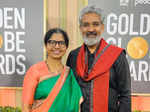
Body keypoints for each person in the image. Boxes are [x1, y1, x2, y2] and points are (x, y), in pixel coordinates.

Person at [66, 5, 131, 112]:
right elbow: (69, 91)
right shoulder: (73, 56)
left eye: (95, 24)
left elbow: (125, 95)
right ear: (80, 28)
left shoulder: (117, 55)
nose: (91, 29)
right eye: (86, 25)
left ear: (102, 27)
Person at [22, 28, 83, 112]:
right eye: (52, 42)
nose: (57, 46)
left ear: (66, 47)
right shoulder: (35, 71)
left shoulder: (69, 74)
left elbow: (76, 102)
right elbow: (26, 107)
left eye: (61, 43)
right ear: (46, 45)